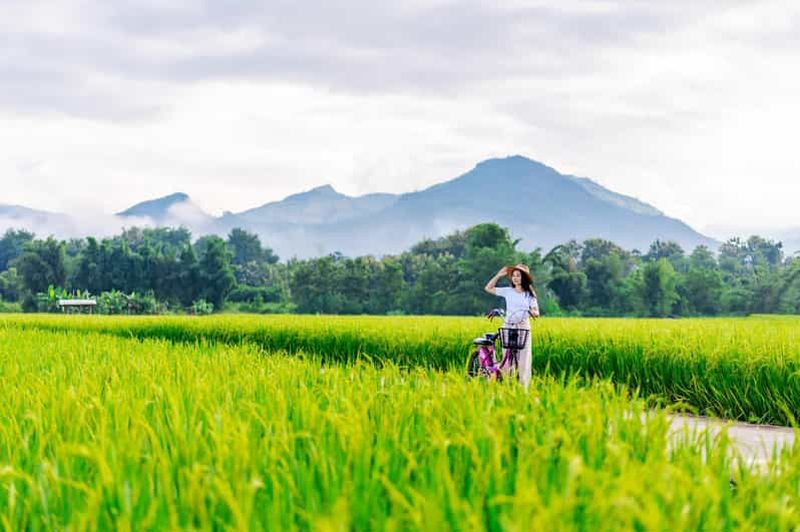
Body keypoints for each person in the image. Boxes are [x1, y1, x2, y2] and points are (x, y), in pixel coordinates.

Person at [484, 264, 539, 387]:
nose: (515, 278)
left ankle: (522, 388)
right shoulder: (508, 291)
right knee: (507, 359)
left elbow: (536, 311)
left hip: (523, 327)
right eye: (513, 275)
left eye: (518, 275)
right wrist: (498, 275)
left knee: (523, 359)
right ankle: (507, 385)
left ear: (524, 278)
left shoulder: (529, 295)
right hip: (508, 326)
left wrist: (532, 312)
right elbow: (488, 288)